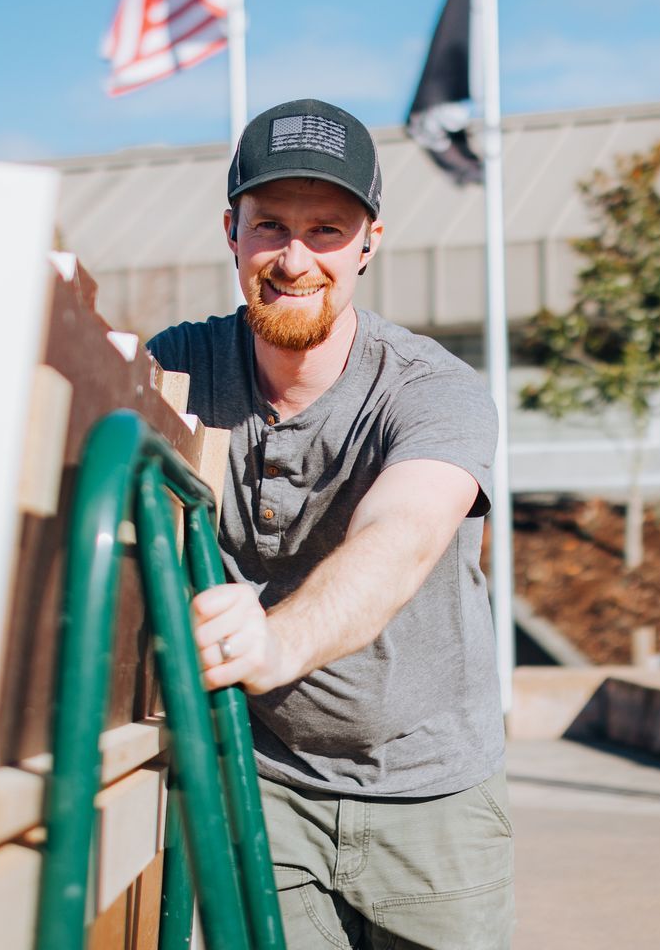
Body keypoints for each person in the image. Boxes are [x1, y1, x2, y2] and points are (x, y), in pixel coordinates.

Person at [147, 98, 511, 949]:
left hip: (432, 793)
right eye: (270, 226)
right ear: (231, 231)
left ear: (369, 243)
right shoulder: (179, 368)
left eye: (326, 231)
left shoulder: (430, 390)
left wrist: (278, 641)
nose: (294, 258)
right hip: (264, 785)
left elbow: (402, 536)